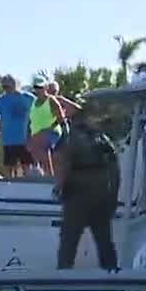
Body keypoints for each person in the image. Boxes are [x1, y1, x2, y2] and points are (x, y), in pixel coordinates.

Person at [52, 100, 120, 270]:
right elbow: (115, 167)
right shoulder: (102, 138)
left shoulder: (71, 136)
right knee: (104, 240)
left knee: (69, 240)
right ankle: (111, 274)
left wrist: (58, 187)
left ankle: (63, 275)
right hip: (103, 193)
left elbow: (65, 163)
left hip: (78, 194)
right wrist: (113, 196)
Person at [0, 75, 36, 177]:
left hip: (26, 138)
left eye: (8, 86)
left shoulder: (28, 98)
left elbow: (40, 108)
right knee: (9, 168)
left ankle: (28, 188)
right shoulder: (1, 100)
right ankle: (10, 189)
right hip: (8, 139)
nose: (7, 89)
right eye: (5, 86)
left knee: (27, 167)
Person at [26, 80, 67, 176]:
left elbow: (61, 118)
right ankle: (41, 175)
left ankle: (49, 176)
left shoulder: (51, 100)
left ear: (45, 88)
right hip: (36, 133)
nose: (38, 90)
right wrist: (29, 136)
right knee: (33, 151)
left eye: (40, 87)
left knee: (42, 147)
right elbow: (31, 121)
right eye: (36, 88)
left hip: (51, 131)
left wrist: (47, 129)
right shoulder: (34, 103)